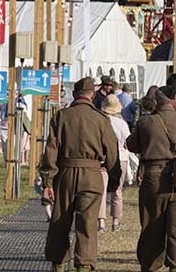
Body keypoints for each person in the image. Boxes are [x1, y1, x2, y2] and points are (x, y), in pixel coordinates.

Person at [40, 77, 122, 272]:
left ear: (74, 94)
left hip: (65, 174)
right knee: (87, 224)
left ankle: (58, 264)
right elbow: (112, 151)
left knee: (60, 221)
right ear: (92, 95)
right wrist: (114, 179)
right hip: (92, 175)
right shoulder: (101, 119)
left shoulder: (61, 116)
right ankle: (84, 265)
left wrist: (47, 181)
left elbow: (51, 150)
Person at [127, 86, 176, 272]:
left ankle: (150, 266)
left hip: (153, 178)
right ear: (173, 101)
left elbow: (131, 145)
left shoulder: (146, 122)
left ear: (155, 102)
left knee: (151, 225)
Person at [100, 94, 131, 233]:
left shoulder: (101, 121)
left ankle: (101, 222)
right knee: (117, 190)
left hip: (103, 158)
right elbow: (128, 142)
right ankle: (116, 221)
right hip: (121, 158)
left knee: (101, 190)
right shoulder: (122, 123)